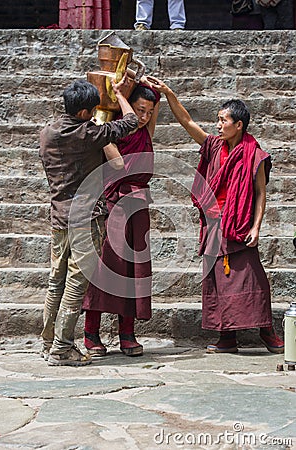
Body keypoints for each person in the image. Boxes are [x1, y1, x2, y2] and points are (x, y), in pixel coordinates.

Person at [146, 75, 284, 354]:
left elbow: (260, 193)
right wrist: (169, 93)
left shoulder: (254, 156)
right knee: (217, 281)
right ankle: (227, 337)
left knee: (252, 279)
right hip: (214, 224)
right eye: (218, 120)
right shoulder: (213, 146)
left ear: (239, 125)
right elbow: (187, 122)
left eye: (224, 120)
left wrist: (257, 226)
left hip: (239, 224)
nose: (219, 125)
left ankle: (266, 331)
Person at [39, 79, 138, 366]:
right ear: (84, 112)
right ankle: (62, 348)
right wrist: (119, 94)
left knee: (55, 281)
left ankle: (48, 343)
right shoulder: (87, 133)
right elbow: (130, 122)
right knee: (76, 284)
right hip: (86, 219)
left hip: (59, 217)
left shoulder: (48, 131)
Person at [82, 84, 160, 357]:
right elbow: (118, 166)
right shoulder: (109, 133)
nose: (145, 117)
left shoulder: (146, 132)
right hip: (114, 204)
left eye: (149, 113)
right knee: (106, 268)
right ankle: (91, 331)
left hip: (139, 207)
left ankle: (127, 333)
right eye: (140, 110)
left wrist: (127, 80)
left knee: (134, 269)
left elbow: (155, 101)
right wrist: (117, 93)